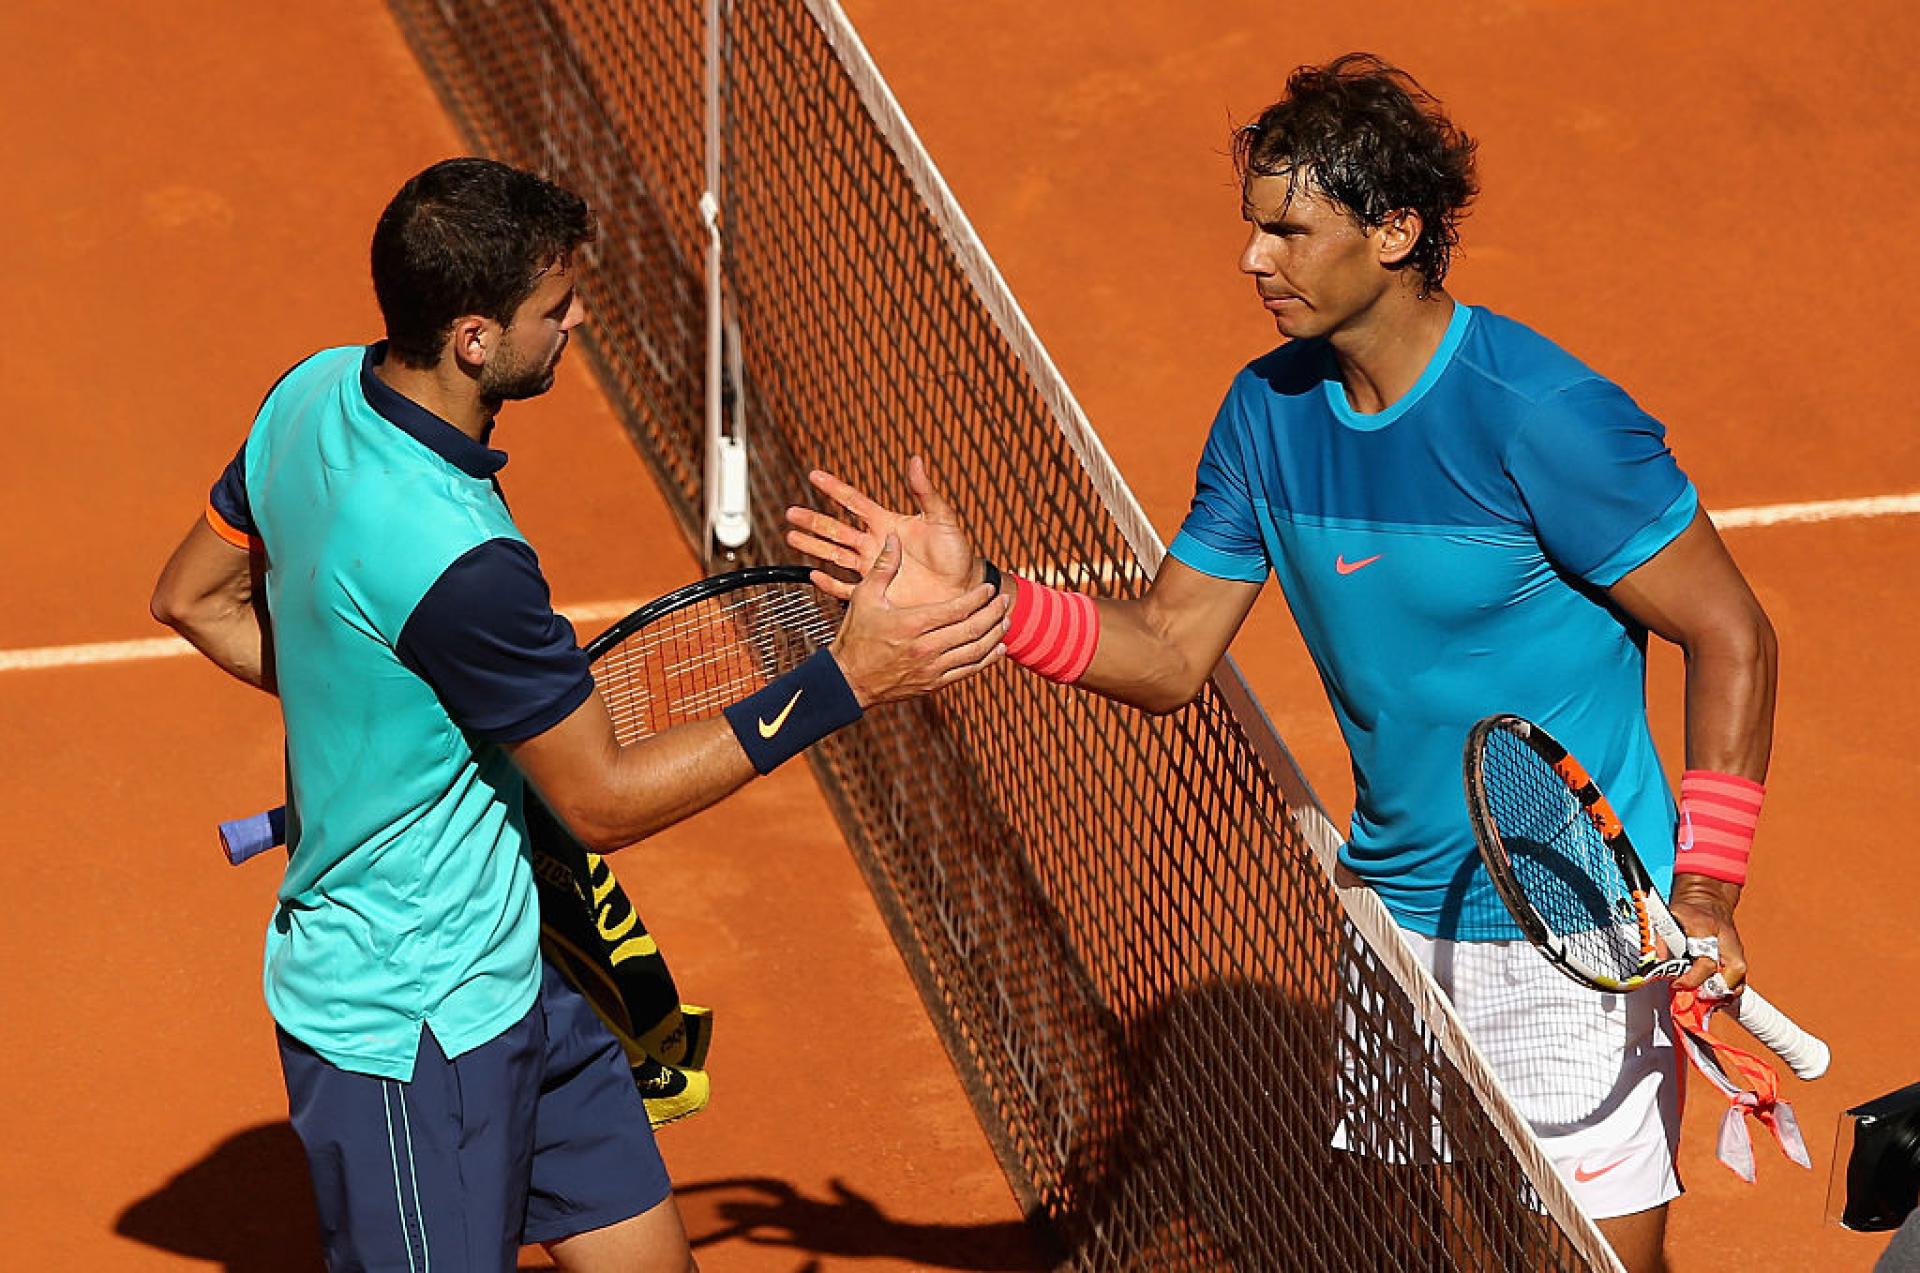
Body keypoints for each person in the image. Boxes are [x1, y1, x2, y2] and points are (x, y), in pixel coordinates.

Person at [781, 54, 1778, 1273]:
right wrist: (991, 600)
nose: (1255, 262)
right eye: (1255, 229)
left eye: (1289, 232)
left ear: (1397, 231)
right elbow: (1166, 651)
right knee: (1441, 1254)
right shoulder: (1267, 411)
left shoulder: (1540, 416)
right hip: (1398, 923)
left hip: (1572, 927)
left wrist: (1712, 890)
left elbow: (1732, 631)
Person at [150, 157, 1009, 1273]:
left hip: (509, 973)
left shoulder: (307, 394)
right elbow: (600, 800)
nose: (579, 320)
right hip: (409, 1034)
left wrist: (381, 704)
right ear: (472, 337)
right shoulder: (462, 561)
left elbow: (191, 595)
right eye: (554, 309)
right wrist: (848, 679)